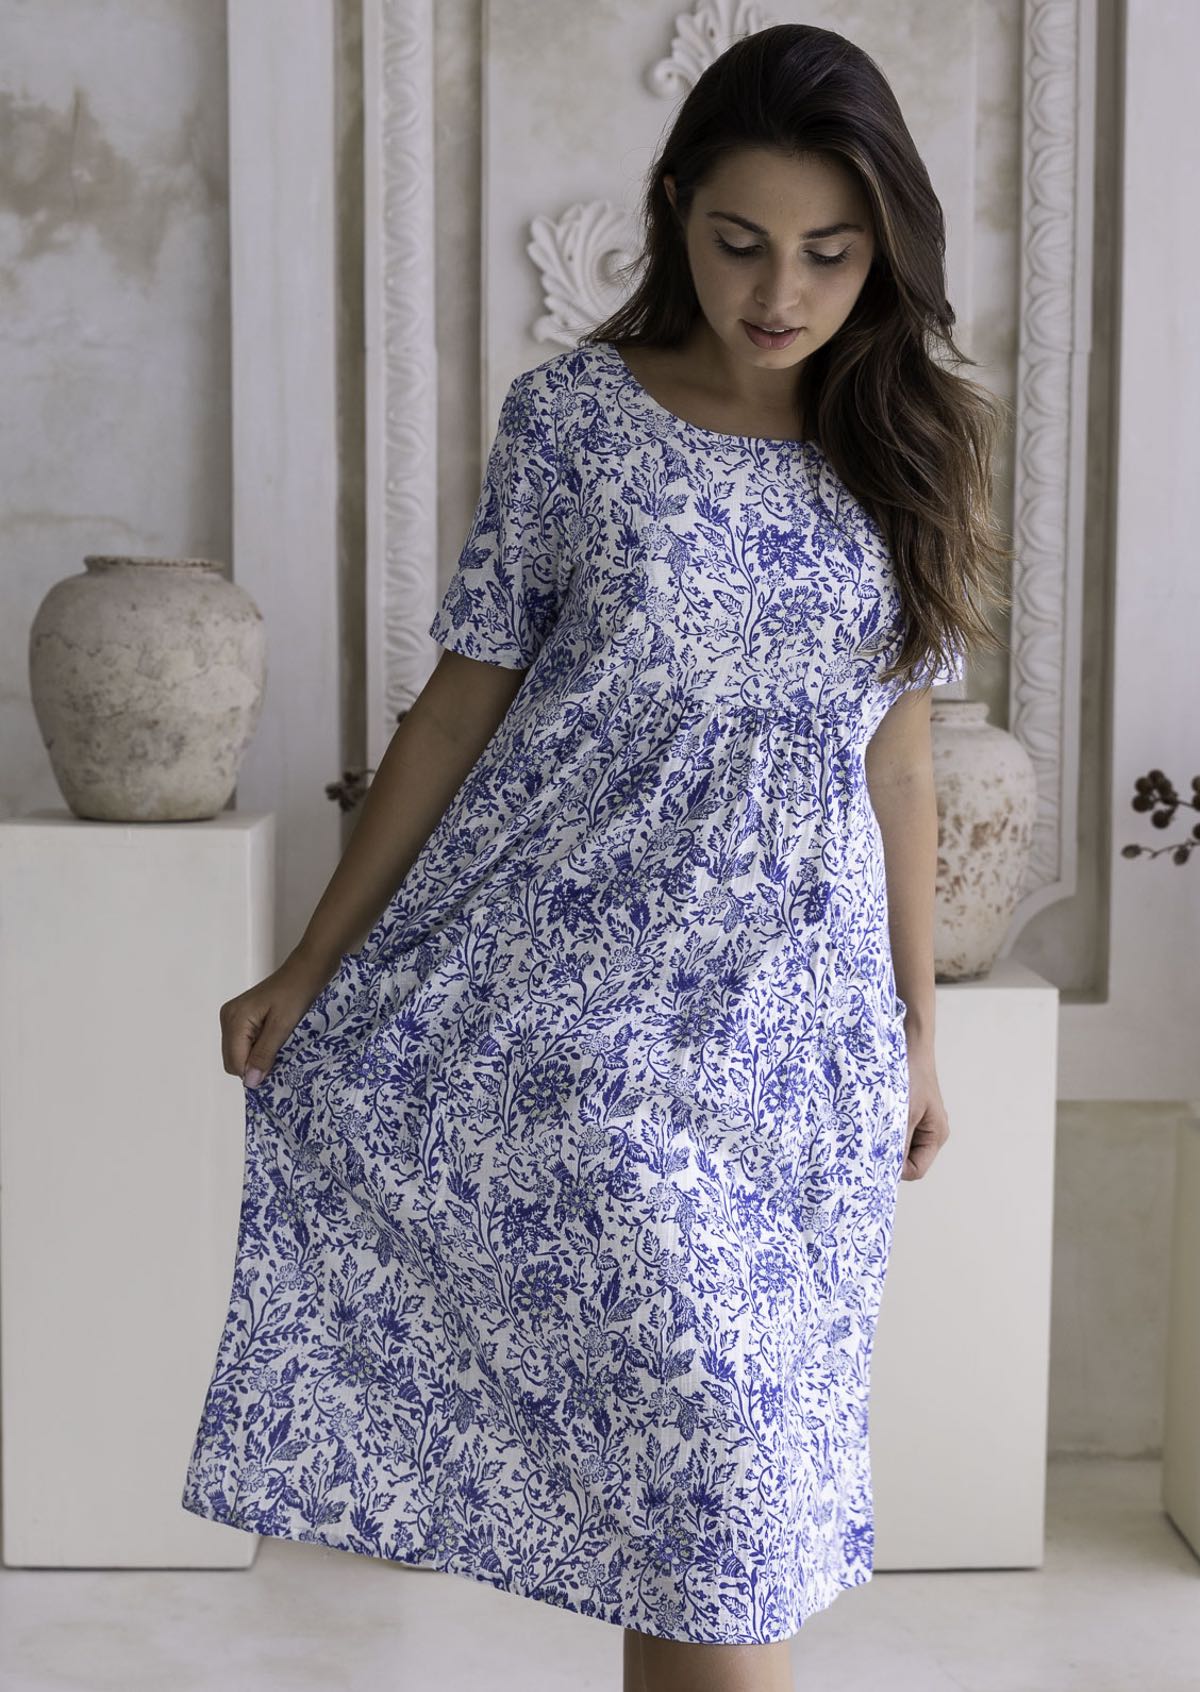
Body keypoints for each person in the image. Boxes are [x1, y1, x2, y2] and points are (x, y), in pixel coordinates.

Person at [181, 21, 1010, 1692]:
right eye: (742, 242)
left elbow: (897, 756)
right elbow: (455, 710)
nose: (782, 291)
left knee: (708, 1534)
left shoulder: (909, 444)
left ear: (887, 252)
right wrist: (311, 962)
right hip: (580, 1028)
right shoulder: (576, 420)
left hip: (798, 1049)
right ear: (674, 212)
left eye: (833, 254)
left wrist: (917, 1030)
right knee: (710, 1498)